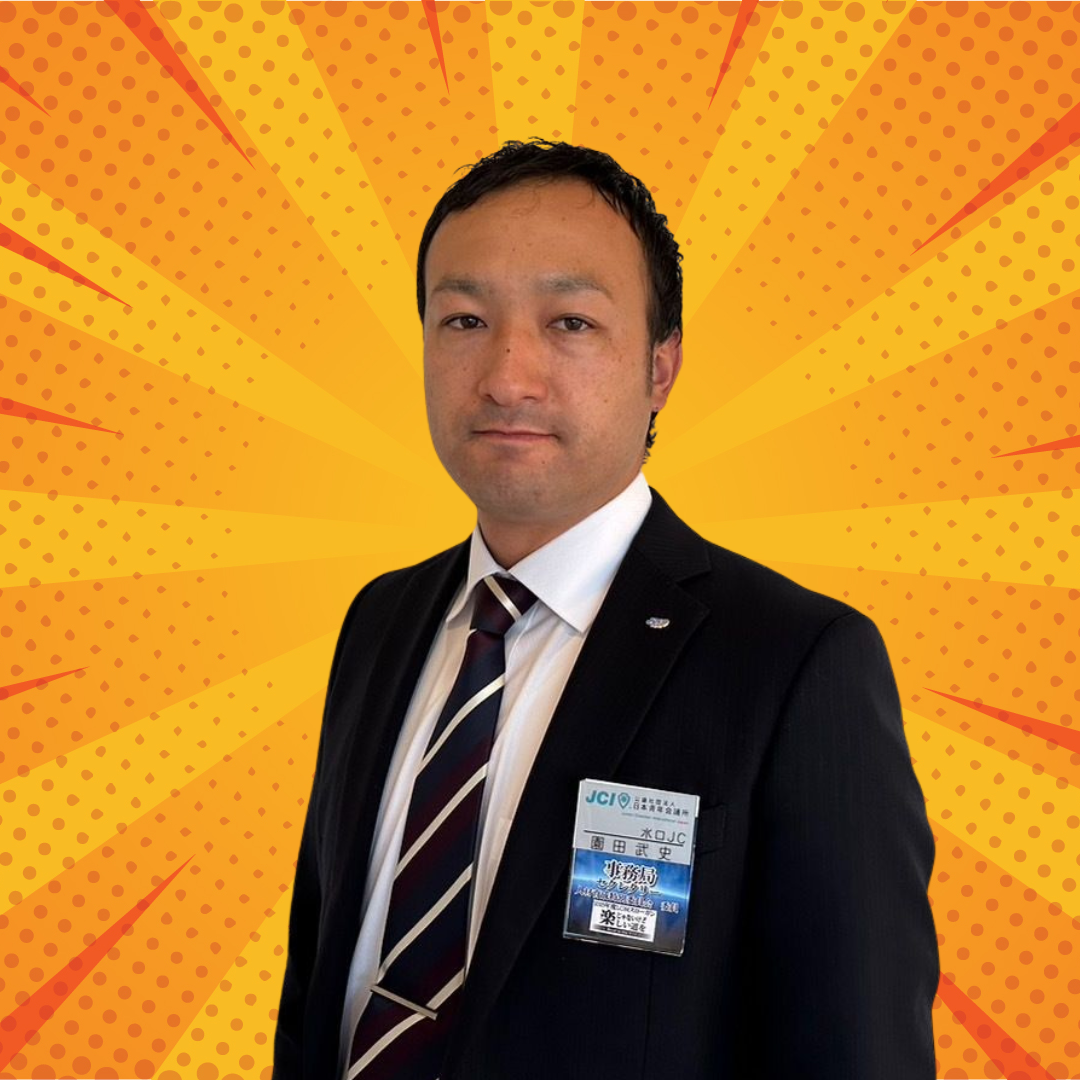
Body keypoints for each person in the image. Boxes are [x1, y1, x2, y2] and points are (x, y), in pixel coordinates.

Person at [272, 139, 939, 1080]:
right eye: (464, 319)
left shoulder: (795, 663)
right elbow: (317, 986)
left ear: (661, 368)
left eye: (571, 322)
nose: (508, 375)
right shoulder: (381, 621)